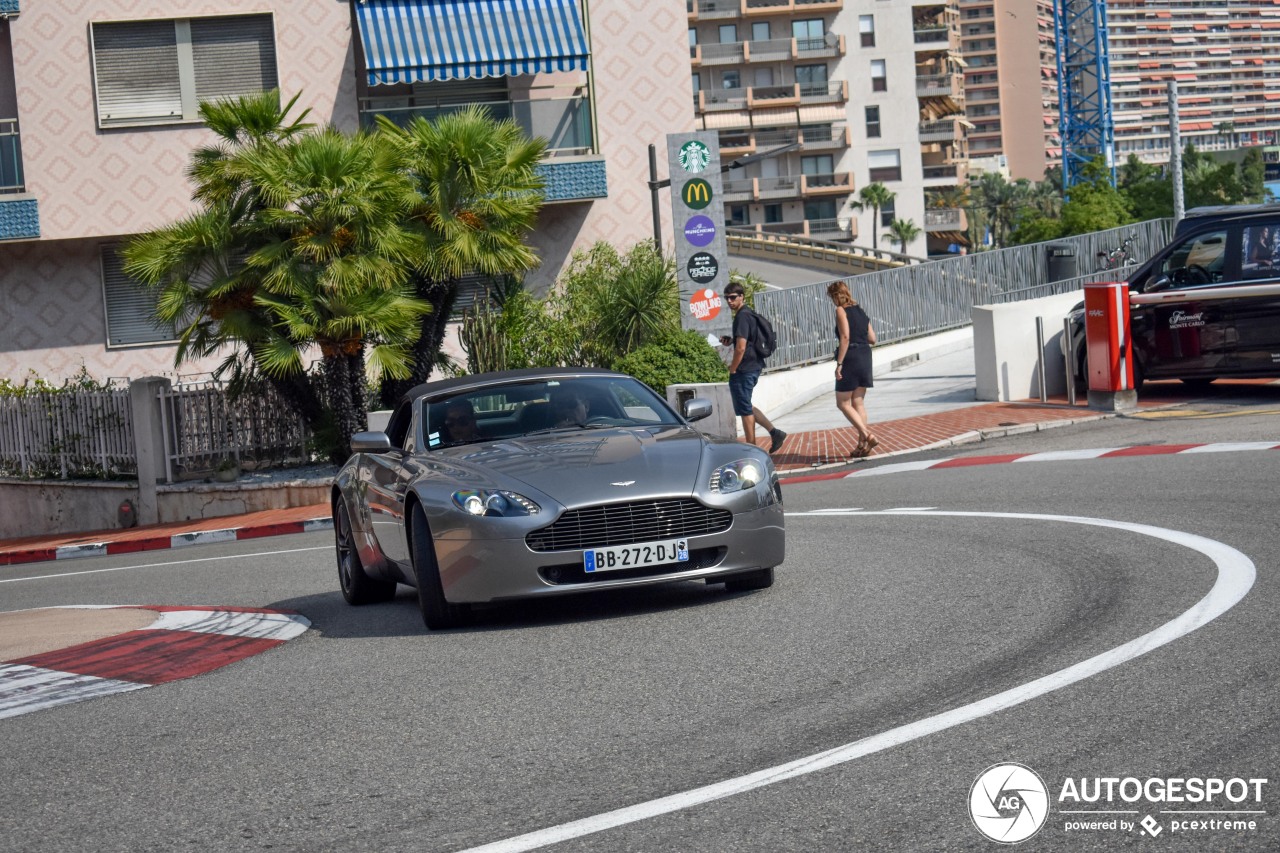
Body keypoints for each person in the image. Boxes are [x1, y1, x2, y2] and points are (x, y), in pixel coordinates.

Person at [719, 282, 786, 454]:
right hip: (753, 365)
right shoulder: (748, 314)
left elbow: (741, 348)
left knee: (744, 409)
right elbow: (746, 341)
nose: (729, 301)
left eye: (733, 297)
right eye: (727, 298)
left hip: (744, 368)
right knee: (745, 405)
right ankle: (775, 433)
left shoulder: (742, 317)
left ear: (742, 297)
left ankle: (752, 448)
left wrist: (733, 368)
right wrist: (731, 340)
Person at [827, 281, 877, 458]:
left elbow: (845, 337)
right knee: (858, 402)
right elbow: (873, 338)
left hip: (852, 356)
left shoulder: (841, 310)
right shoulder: (860, 310)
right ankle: (862, 446)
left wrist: (839, 363)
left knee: (843, 403)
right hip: (865, 355)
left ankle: (867, 435)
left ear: (835, 296)